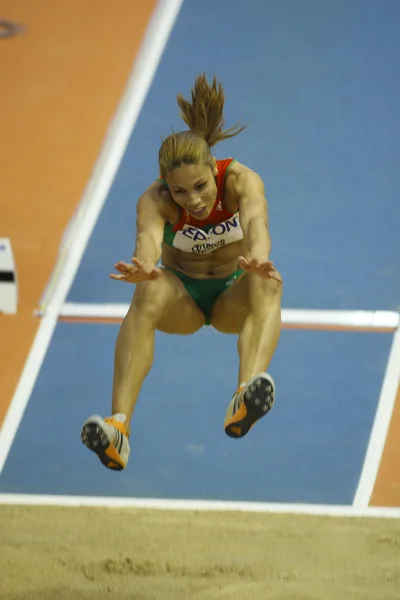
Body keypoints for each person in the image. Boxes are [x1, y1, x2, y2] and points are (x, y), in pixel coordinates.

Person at [81, 74, 283, 471]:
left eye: (201, 186)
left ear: (214, 168)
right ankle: (119, 428)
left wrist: (258, 256)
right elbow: (149, 240)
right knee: (148, 293)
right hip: (184, 300)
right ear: (165, 188)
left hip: (232, 295)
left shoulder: (242, 181)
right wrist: (143, 265)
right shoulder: (155, 201)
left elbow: (257, 220)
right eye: (180, 192)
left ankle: (245, 395)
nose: (194, 200)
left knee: (268, 281)